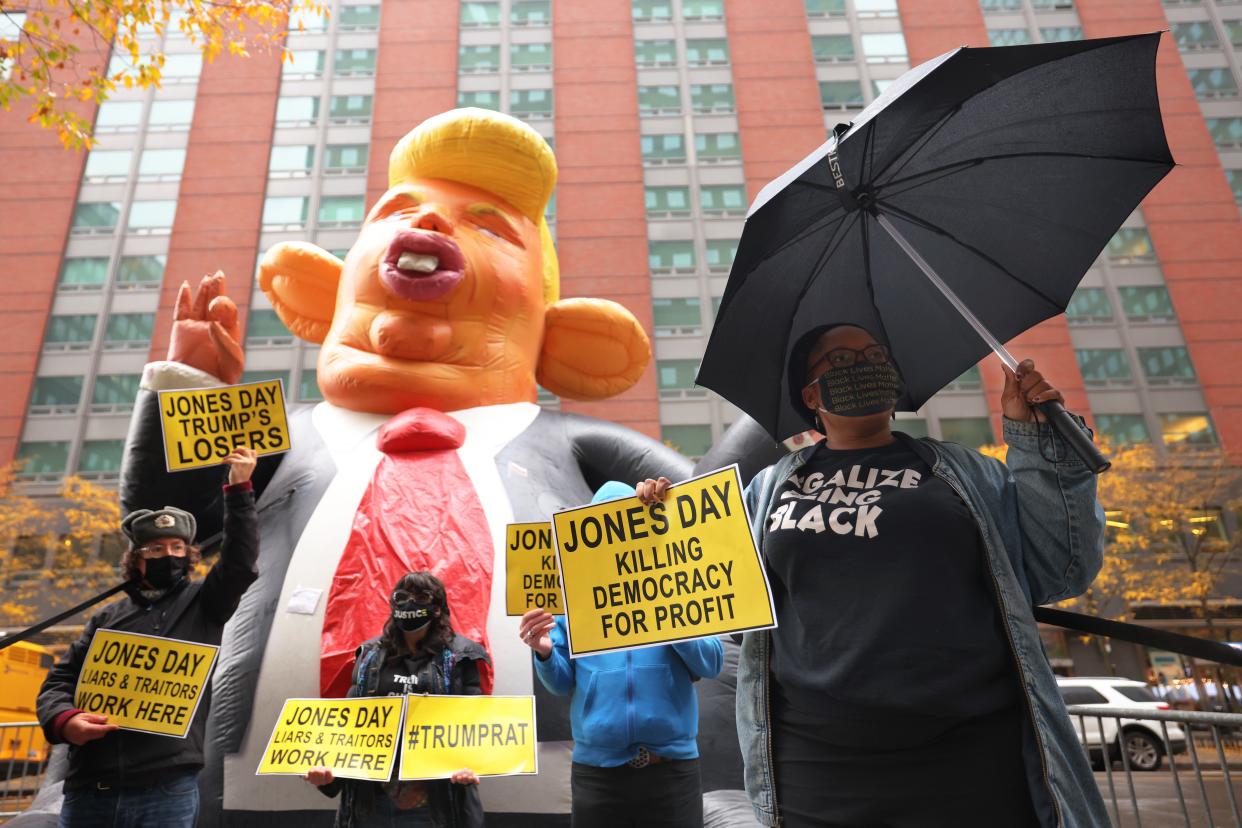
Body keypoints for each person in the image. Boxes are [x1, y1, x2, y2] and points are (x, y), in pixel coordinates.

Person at [637, 323, 1112, 828]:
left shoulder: (965, 472)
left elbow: (1061, 570)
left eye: (874, 354)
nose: (863, 366)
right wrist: (661, 520)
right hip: (817, 760)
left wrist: (1039, 440)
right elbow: (721, 601)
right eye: (840, 361)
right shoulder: (769, 489)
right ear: (811, 395)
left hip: (969, 753)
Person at [36, 447, 259, 828]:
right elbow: (58, 682)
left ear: (189, 557)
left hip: (165, 790)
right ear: (135, 560)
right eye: (155, 549)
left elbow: (239, 562)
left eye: (176, 548)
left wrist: (239, 491)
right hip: (91, 788)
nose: (167, 555)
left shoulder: (204, 605)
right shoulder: (107, 618)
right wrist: (66, 720)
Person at [518, 481, 724, 828]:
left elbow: (712, 662)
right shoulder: (574, 597)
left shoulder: (677, 581)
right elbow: (560, 683)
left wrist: (672, 614)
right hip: (597, 775)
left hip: (671, 769)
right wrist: (544, 653)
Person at [304, 571, 489, 828]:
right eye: (402, 596)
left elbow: (472, 724)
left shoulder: (461, 657)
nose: (410, 603)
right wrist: (329, 777)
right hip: (370, 803)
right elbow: (348, 726)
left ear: (437, 609)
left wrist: (469, 764)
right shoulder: (368, 656)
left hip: (433, 806)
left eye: (421, 597)